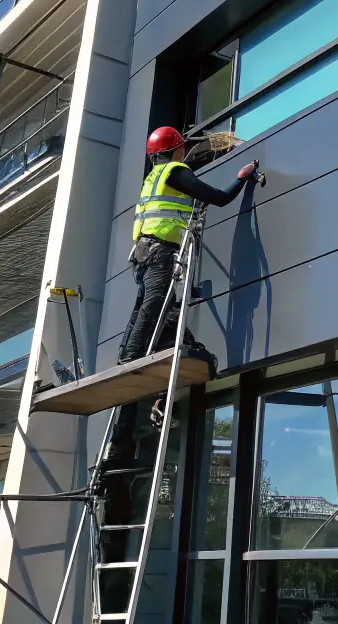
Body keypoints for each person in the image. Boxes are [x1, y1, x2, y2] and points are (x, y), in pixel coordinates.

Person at [104, 125, 258, 466]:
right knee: (155, 303)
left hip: (144, 253)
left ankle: (127, 355)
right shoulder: (176, 172)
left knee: (146, 305)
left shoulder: (154, 176)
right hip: (160, 252)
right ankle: (131, 358)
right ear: (176, 150)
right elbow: (216, 197)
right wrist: (242, 177)